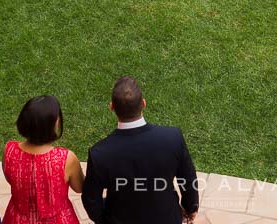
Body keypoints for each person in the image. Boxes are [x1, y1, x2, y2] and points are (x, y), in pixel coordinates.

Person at [81, 76, 198, 224]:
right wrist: (190, 207)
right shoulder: (172, 138)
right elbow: (188, 179)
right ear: (143, 103)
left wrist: (105, 220)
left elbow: (91, 199)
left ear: (112, 107)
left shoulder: (99, 153)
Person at [4, 95, 84, 224]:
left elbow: (10, 179)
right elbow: (79, 188)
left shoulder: (9, 150)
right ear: (54, 123)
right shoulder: (66, 159)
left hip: (16, 219)